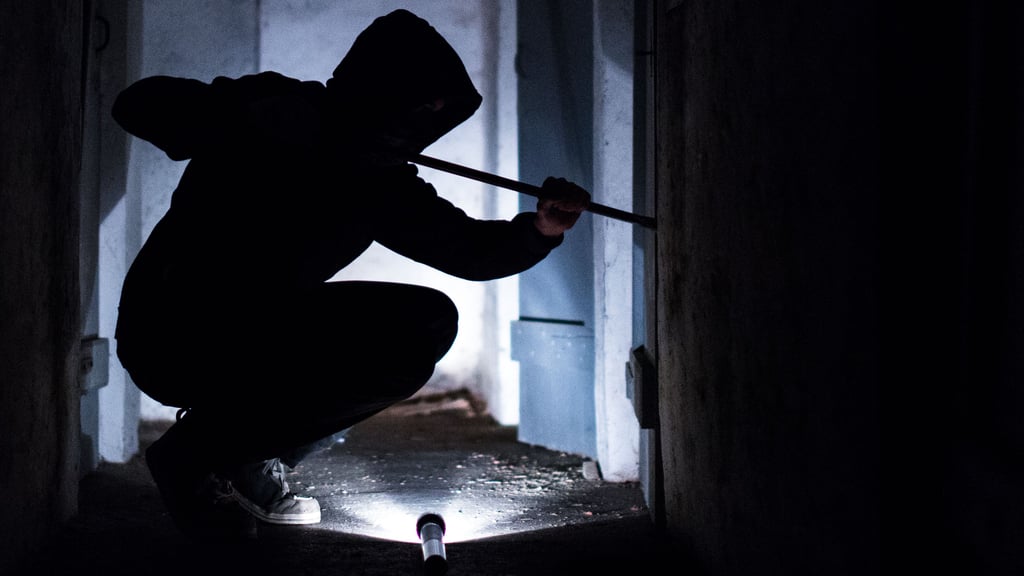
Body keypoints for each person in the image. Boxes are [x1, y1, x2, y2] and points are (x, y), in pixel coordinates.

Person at [112, 9, 589, 540]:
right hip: (170, 326)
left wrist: (542, 228)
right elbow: (137, 105)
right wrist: (246, 115)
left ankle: (240, 451)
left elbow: (471, 251)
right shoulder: (276, 106)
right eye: (420, 105)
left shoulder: (377, 179)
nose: (424, 124)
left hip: (262, 334)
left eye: (434, 114)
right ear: (383, 89)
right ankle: (198, 454)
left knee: (425, 322)